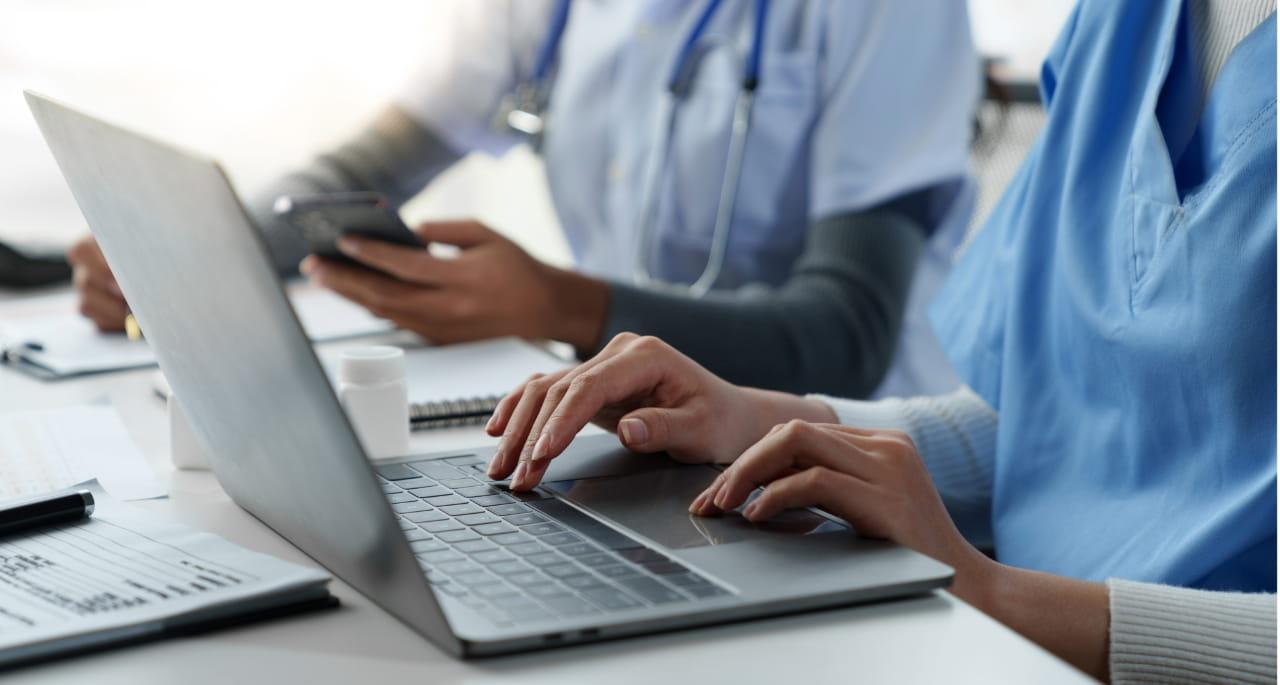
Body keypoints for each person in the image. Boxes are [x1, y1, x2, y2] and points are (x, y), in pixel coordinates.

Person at [483, 0, 1277, 681]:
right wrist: (763, 422)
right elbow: (1065, 415)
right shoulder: (1124, 22)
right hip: (996, 636)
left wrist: (991, 591)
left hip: (1026, 630)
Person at [65, 0, 978, 399]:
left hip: (854, 457)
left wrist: (564, 306)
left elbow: (847, 338)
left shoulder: (887, 7)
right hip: (639, 424)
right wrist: (190, 258)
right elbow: (370, 161)